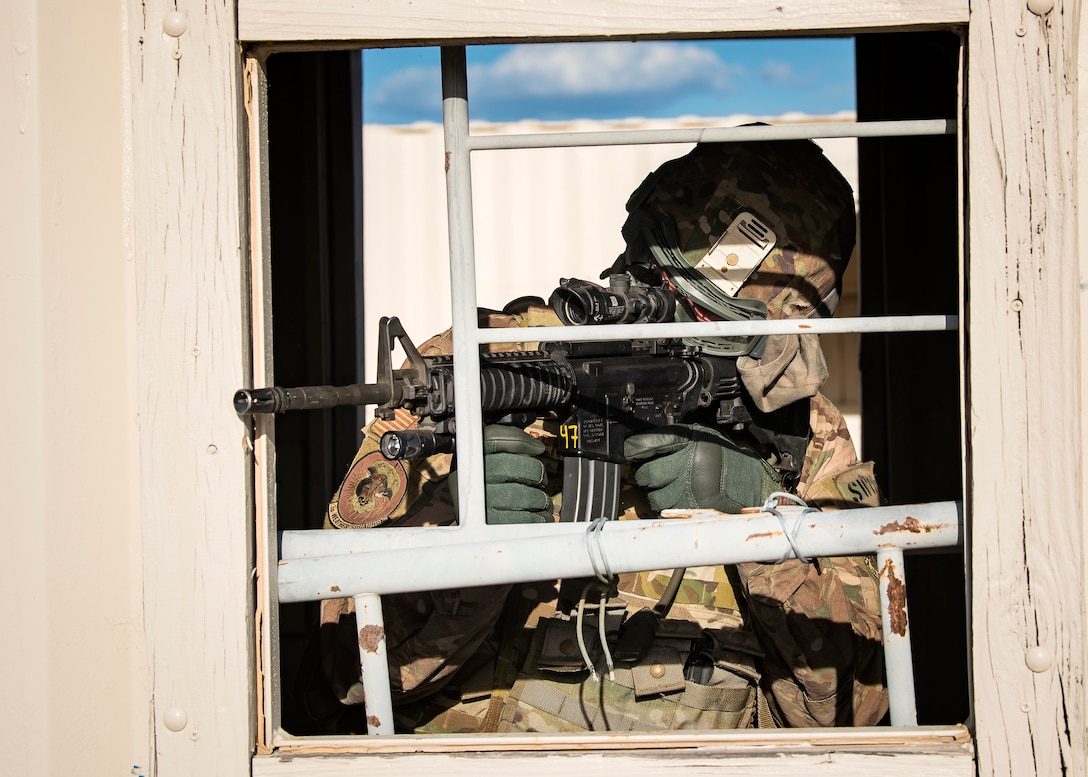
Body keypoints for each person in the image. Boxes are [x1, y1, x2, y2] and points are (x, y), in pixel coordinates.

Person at [298, 138, 889, 734]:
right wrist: (466, 551)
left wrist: (762, 524)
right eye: (654, 283)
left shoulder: (803, 430)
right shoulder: (481, 363)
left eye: (711, 322)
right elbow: (343, 671)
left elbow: (860, 707)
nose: (665, 321)